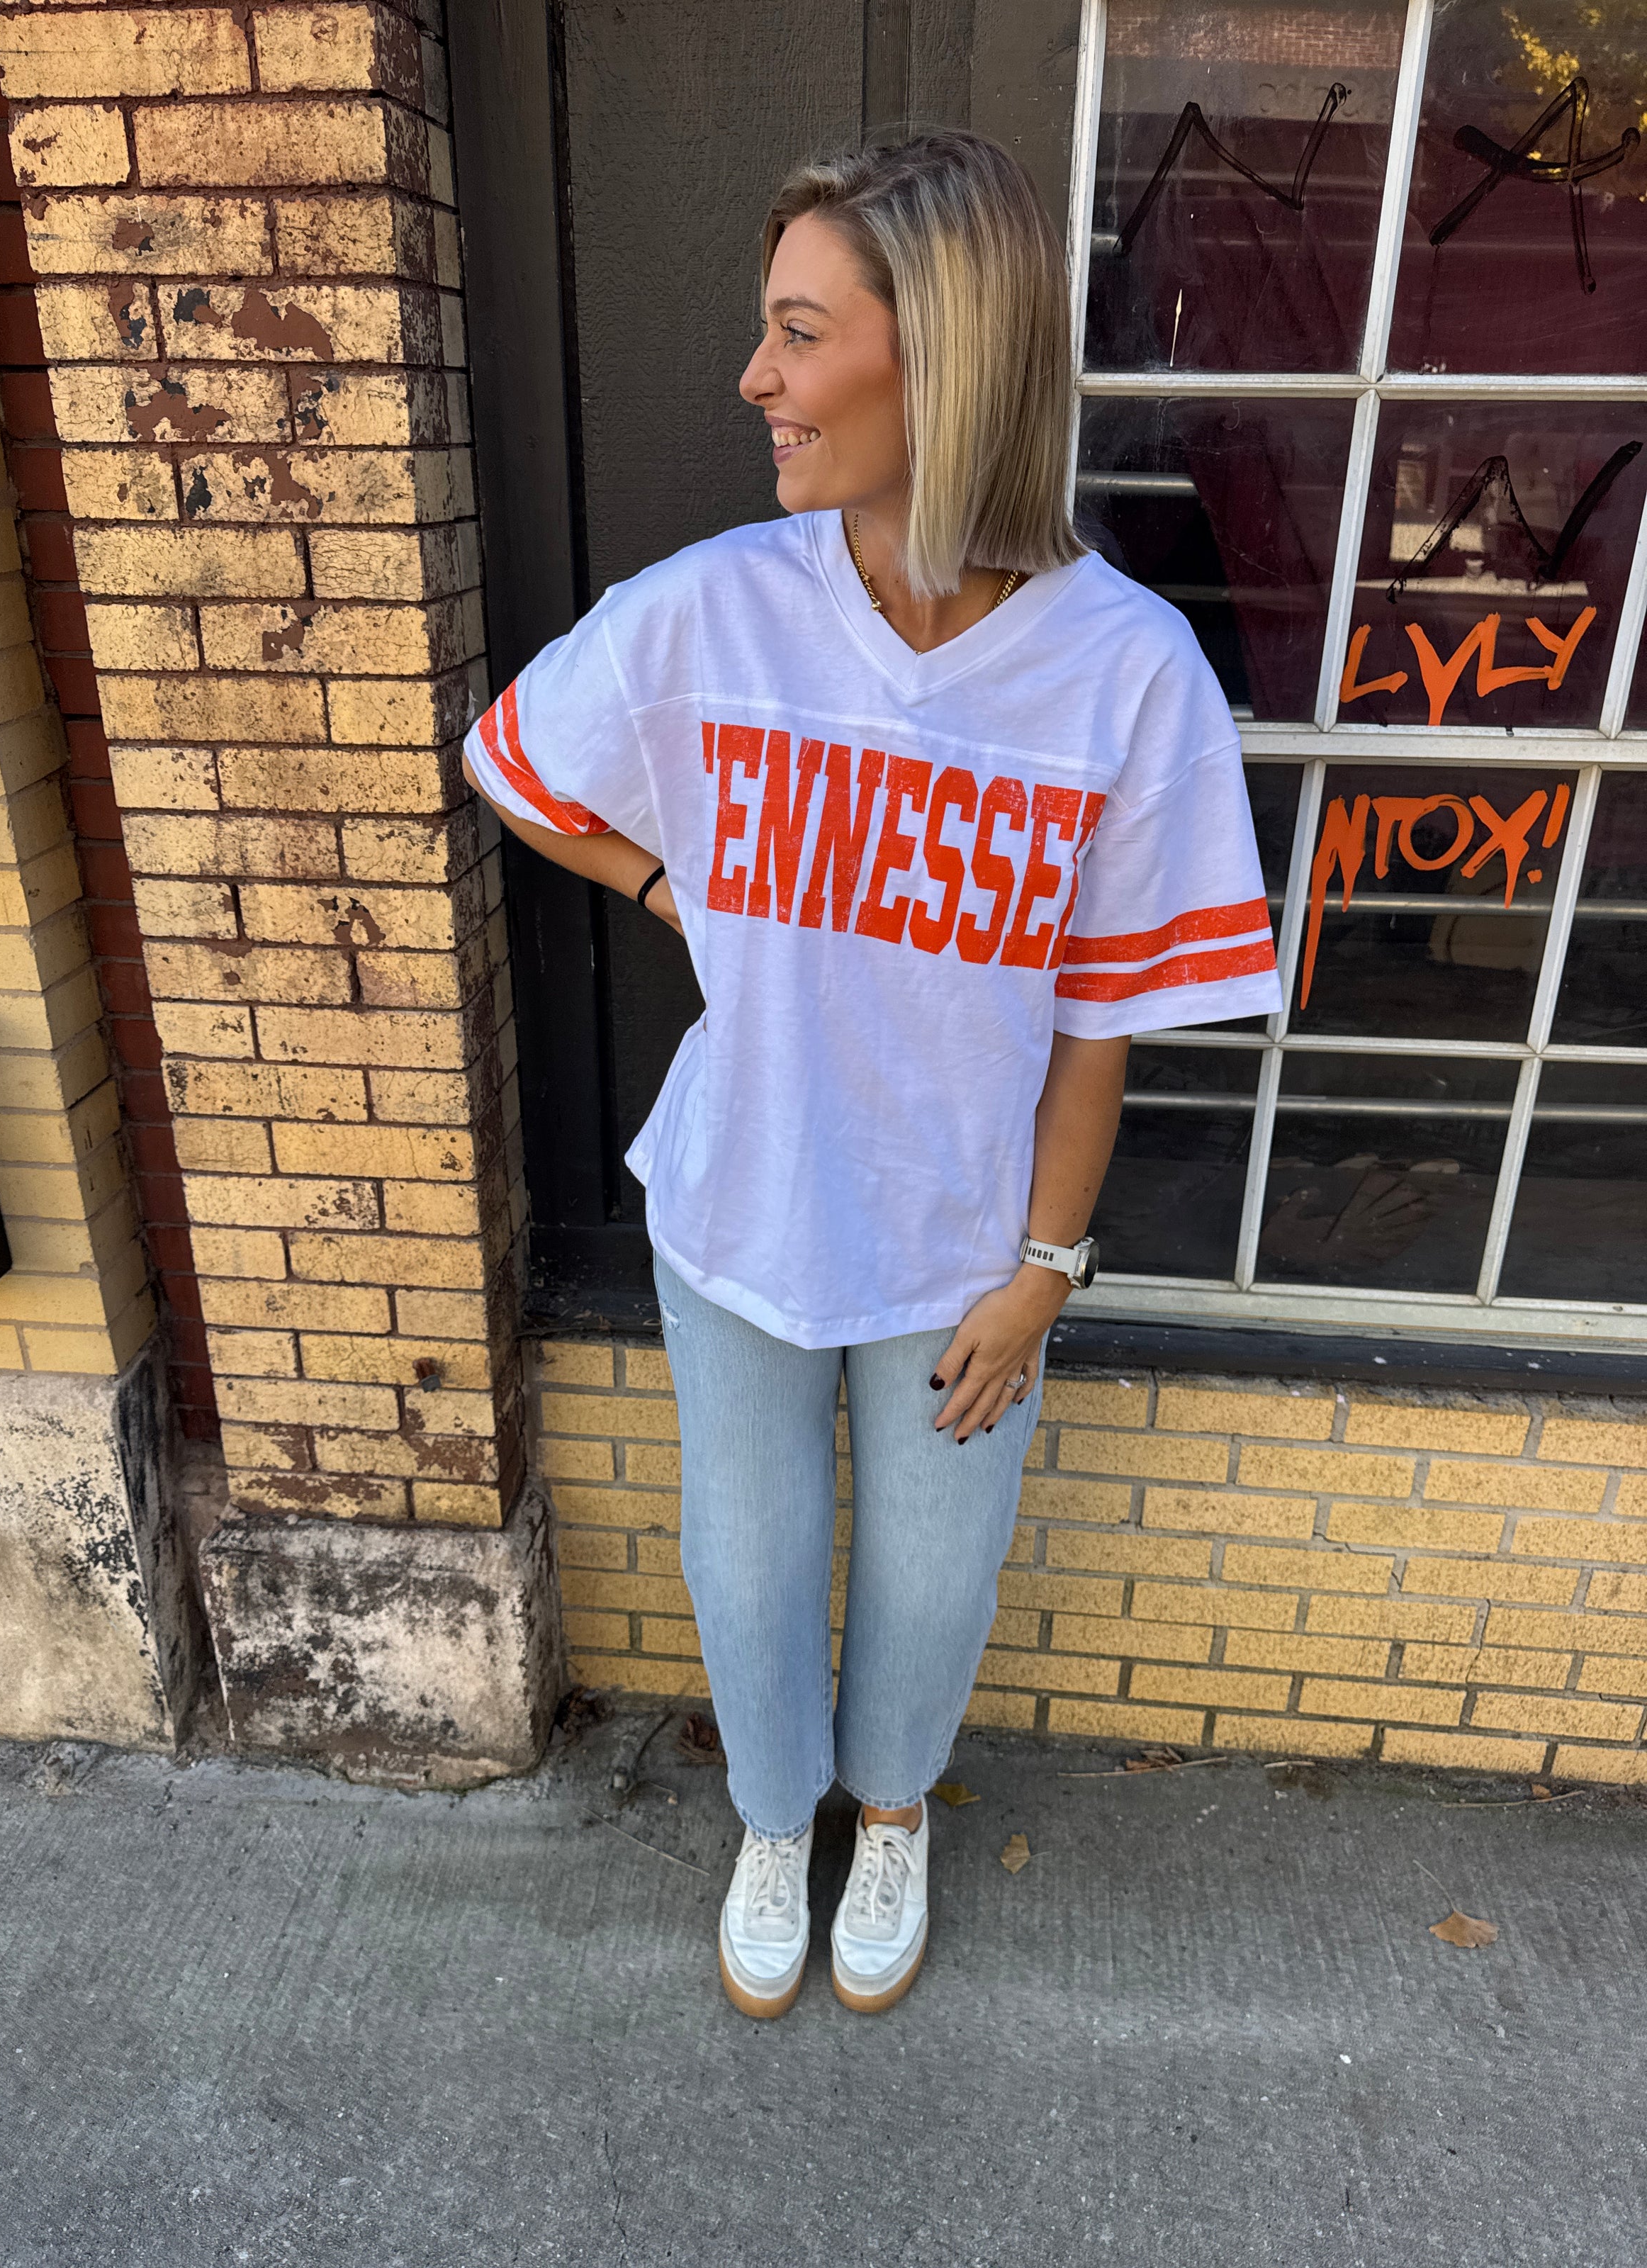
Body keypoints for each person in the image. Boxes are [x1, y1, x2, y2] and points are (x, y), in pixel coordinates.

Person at [466, 132, 1281, 2018]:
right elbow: (518, 761)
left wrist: (1047, 1269)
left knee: (932, 1583)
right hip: (740, 1201)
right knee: (748, 1572)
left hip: (963, 1245)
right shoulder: (718, 610)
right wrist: (668, 880)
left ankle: (891, 1812)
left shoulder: (1126, 670)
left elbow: (1099, 1014)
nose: (755, 377)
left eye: (800, 332)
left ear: (948, 356)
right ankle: (774, 1821)